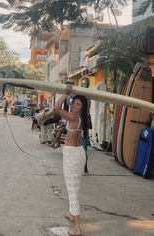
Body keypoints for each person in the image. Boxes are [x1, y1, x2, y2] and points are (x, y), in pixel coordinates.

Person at [54, 84, 88, 236]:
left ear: (82, 107)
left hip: (72, 155)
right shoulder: (83, 117)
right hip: (79, 154)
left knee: (72, 190)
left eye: (78, 104)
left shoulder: (73, 117)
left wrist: (64, 93)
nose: (74, 106)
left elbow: (56, 108)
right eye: (73, 103)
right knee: (75, 187)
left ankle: (77, 228)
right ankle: (70, 213)